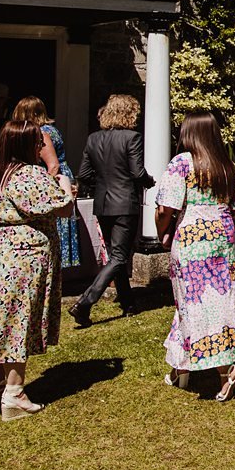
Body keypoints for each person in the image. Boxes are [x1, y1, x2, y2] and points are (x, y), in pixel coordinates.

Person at [0, 120, 74, 419]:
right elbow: (64, 207)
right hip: (24, 257)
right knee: (19, 321)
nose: (42, 147)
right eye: (38, 142)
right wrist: (66, 185)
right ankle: (14, 394)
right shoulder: (29, 176)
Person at [156, 110, 235, 402]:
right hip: (222, 235)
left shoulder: (181, 164)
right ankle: (185, 366)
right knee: (216, 301)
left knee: (194, 302)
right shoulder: (228, 166)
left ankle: (226, 370)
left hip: (191, 236)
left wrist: (163, 232)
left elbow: (164, 209)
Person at [69, 94, 154, 327]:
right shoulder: (132, 137)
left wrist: (102, 184)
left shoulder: (93, 139)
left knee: (115, 257)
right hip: (125, 202)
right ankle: (85, 302)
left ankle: (128, 303)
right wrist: (149, 181)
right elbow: (137, 172)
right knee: (119, 257)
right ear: (129, 114)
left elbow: (84, 174)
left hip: (103, 203)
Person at [10, 96, 79, 268]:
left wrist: (45, 188)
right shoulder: (51, 129)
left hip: (55, 179)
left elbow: (53, 165)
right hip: (62, 175)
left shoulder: (42, 132)